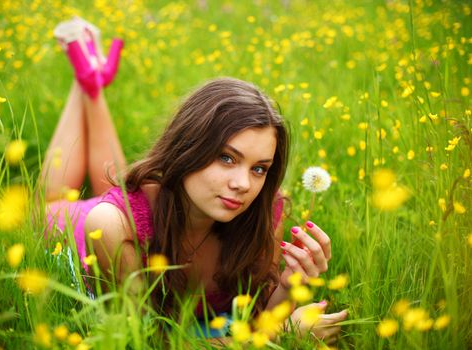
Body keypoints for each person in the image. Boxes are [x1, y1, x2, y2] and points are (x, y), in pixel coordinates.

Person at [40, 17, 347, 344]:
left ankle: (90, 79)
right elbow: (145, 342)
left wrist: (288, 284)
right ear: (189, 147)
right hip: (68, 228)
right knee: (55, 199)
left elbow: (256, 314)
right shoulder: (112, 226)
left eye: (259, 168)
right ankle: (84, 81)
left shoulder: (264, 208)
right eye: (226, 158)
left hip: (147, 204)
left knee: (117, 181)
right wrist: (278, 334)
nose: (243, 184)